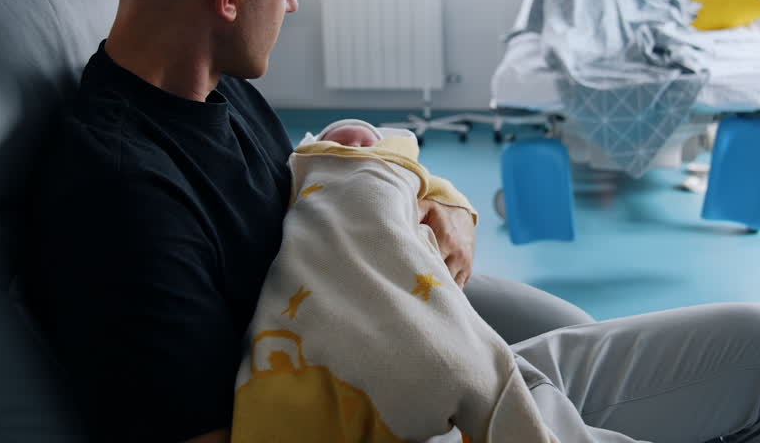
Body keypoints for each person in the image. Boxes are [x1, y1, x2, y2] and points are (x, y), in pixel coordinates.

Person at [29, 0, 760, 443]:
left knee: (661, 336)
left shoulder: (214, 90)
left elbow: (310, 201)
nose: (294, 2)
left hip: (385, 335)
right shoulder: (121, 194)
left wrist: (428, 200)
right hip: (388, 410)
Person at [234, 118, 556, 442]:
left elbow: (441, 198)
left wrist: (453, 206)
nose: (355, 149)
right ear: (318, 147)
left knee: (475, 364)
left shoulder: (397, 169)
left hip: (404, 271)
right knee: (478, 371)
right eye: (341, 144)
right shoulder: (307, 168)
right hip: (319, 283)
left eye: (365, 143)